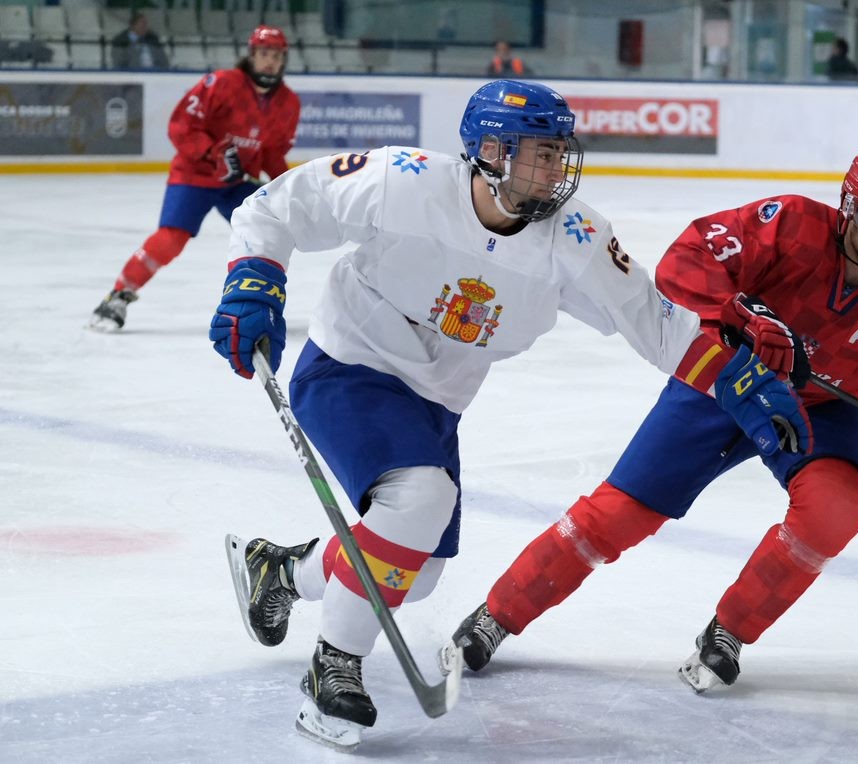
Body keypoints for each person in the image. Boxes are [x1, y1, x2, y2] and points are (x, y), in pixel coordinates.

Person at [211, 79, 807, 750]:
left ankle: (282, 571)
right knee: (419, 500)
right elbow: (277, 205)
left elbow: (655, 324)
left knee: (416, 564)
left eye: (561, 153)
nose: (559, 168)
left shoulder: (574, 238)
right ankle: (334, 666)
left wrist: (741, 382)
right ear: (490, 151)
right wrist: (253, 281)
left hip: (437, 401)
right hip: (352, 364)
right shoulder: (401, 181)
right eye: (542, 153)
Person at [444, 149, 858, 696]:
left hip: (822, 405)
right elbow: (689, 258)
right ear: (849, 210)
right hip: (724, 380)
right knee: (618, 515)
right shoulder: (788, 223)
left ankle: (729, 632)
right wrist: (741, 313)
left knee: (834, 512)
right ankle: (497, 615)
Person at [88, 26, 299, 332]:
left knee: (266, 234)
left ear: (284, 61)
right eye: (264, 54)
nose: (270, 62)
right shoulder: (222, 84)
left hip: (237, 181)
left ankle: (256, 303)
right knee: (170, 239)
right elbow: (182, 126)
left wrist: (289, 185)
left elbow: (271, 154)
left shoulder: (288, 103)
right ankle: (118, 295)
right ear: (251, 55)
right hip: (195, 174)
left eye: (276, 56)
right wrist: (213, 153)